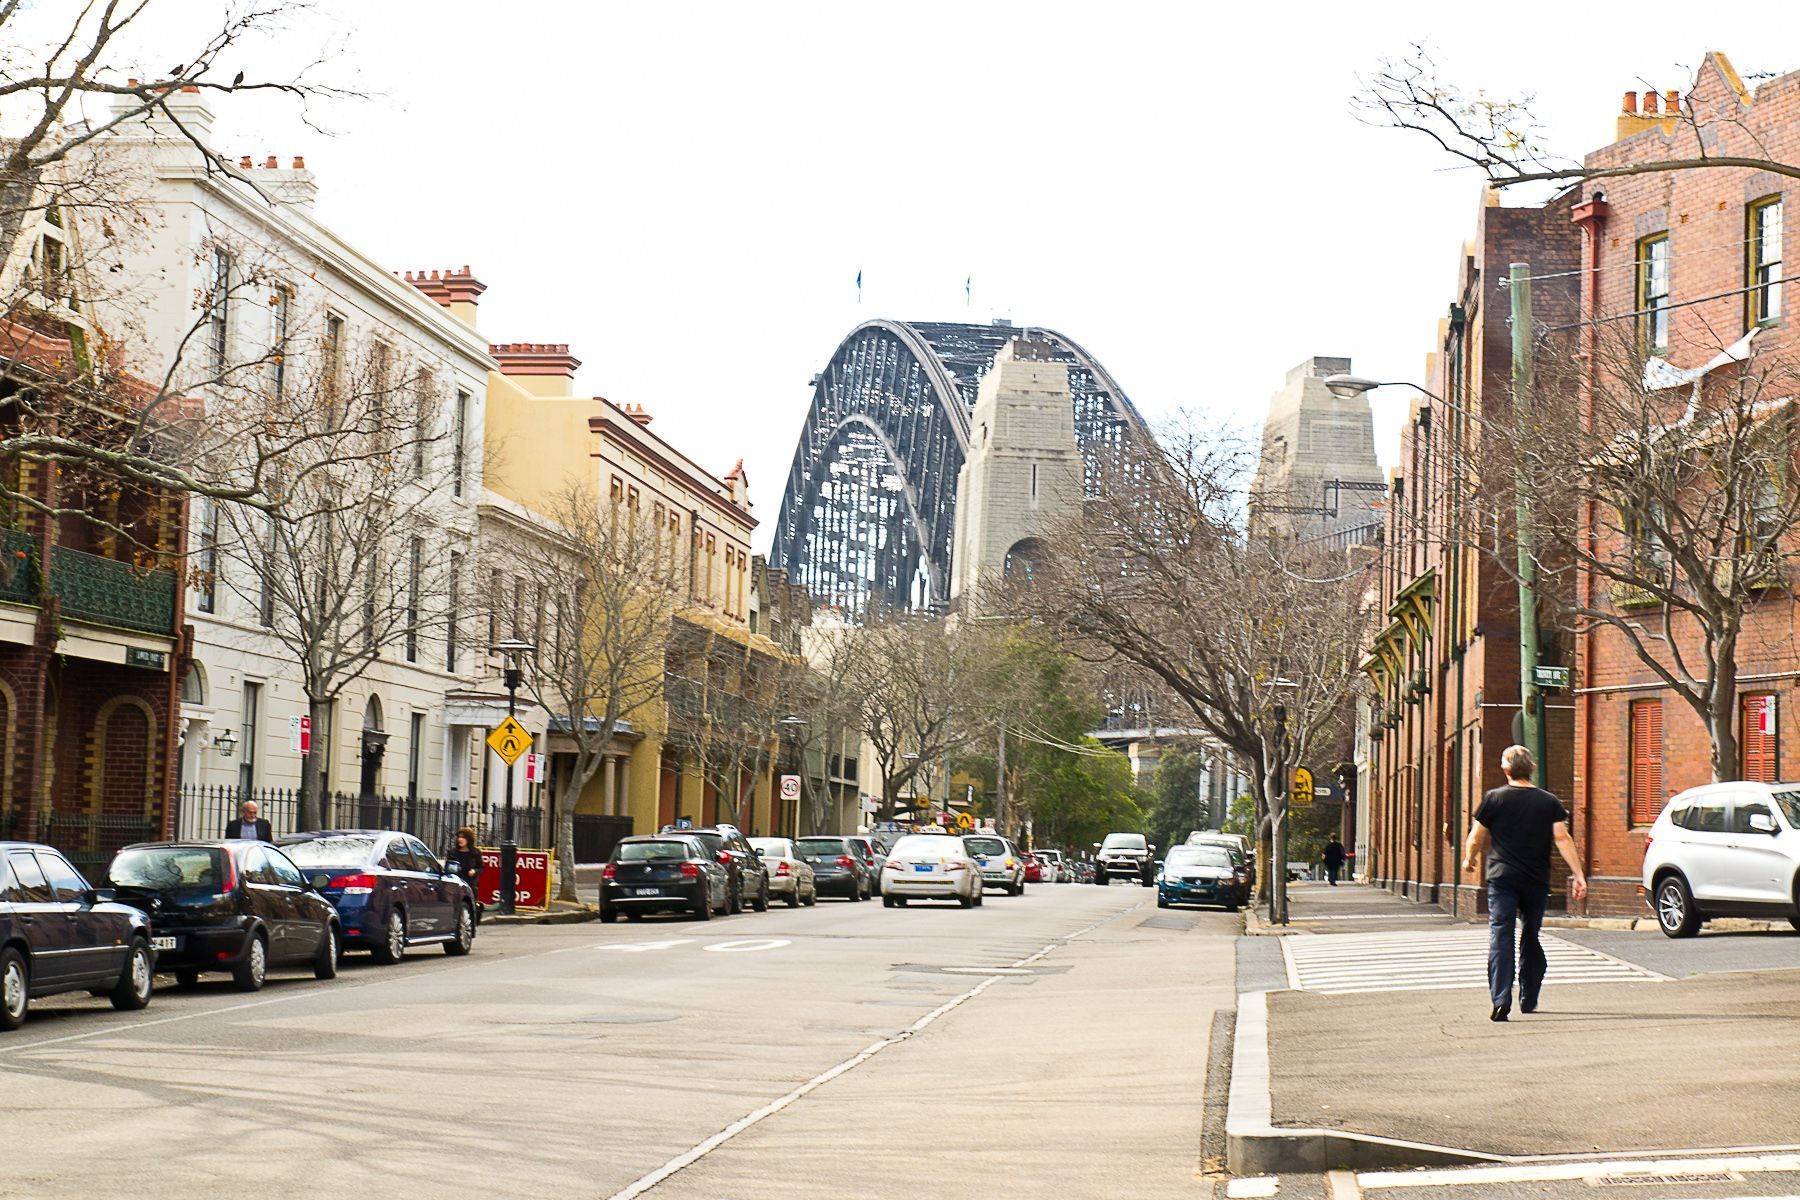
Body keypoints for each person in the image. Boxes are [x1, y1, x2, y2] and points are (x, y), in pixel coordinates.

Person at [1462, 745, 1588, 1022]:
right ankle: (1529, 995)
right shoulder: (1549, 802)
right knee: (1531, 936)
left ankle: (1500, 997)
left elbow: (1476, 835)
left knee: (1501, 935)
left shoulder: (1493, 798)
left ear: (1505, 770)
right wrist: (1578, 874)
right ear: (1532, 768)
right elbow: (1562, 839)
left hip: (1502, 878)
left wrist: (1469, 859)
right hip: (1535, 880)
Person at [444, 826, 485, 924]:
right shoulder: (452, 852)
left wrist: (475, 871)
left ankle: (471, 921)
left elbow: (481, 868)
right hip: (456, 881)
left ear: (469, 839)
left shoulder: (475, 853)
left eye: (463, 837)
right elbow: (447, 866)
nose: (460, 839)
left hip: (470, 882)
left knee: (470, 904)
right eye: (459, 837)